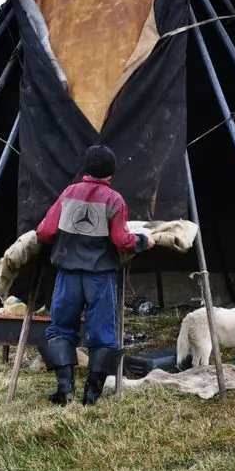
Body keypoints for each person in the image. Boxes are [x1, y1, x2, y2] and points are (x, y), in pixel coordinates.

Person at [35, 144, 156, 406]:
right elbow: (122, 240)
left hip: (68, 275)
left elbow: (44, 232)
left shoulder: (69, 194)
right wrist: (143, 241)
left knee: (60, 329)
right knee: (102, 334)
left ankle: (64, 391)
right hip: (99, 277)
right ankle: (92, 396)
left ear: (86, 169)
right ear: (111, 173)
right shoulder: (114, 200)